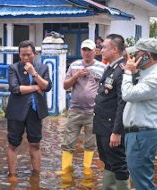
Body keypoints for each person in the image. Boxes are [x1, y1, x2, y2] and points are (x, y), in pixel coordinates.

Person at [56, 39, 106, 177]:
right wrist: (76, 75)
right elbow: (65, 86)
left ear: (95, 51)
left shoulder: (102, 67)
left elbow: (106, 88)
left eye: (89, 50)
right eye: (84, 49)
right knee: (68, 141)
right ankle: (66, 169)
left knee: (90, 142)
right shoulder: (74, 65)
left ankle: (87, 169)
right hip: (75, 110)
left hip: (93, 112)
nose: (87, 53)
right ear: (81, 51)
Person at [6, 40, 52, 183]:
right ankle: (12, 174)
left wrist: (34, 74)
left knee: (35, 143)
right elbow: (15, 88)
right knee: (13, 143)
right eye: (22, 55)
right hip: (16, 111)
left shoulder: (43, 67)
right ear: (19, 55)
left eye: (28, 54)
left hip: (35, 111)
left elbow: (47, 86)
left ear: (35, 54)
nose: (25, 58)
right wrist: (35, 88)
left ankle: (36, 174)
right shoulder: (14, 68)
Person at [122, 38, 157, 190]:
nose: (132, 58)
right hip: (136, 135)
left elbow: (127, 94)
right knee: (138, 179)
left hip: (142, 135)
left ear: (147, 56)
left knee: (143, 182)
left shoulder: (156, 78)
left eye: (136, 54)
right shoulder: (145, 74)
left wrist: (127, 71)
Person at [93, 34, 130, 189]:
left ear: (115, 49)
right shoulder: (111, 68)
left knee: (119, 163)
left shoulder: (122, 70)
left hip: (111, 127)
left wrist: (117, 131)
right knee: (108, 161)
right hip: (102, 125)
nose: (101, 50)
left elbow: (123, 103)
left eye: (105, 47)